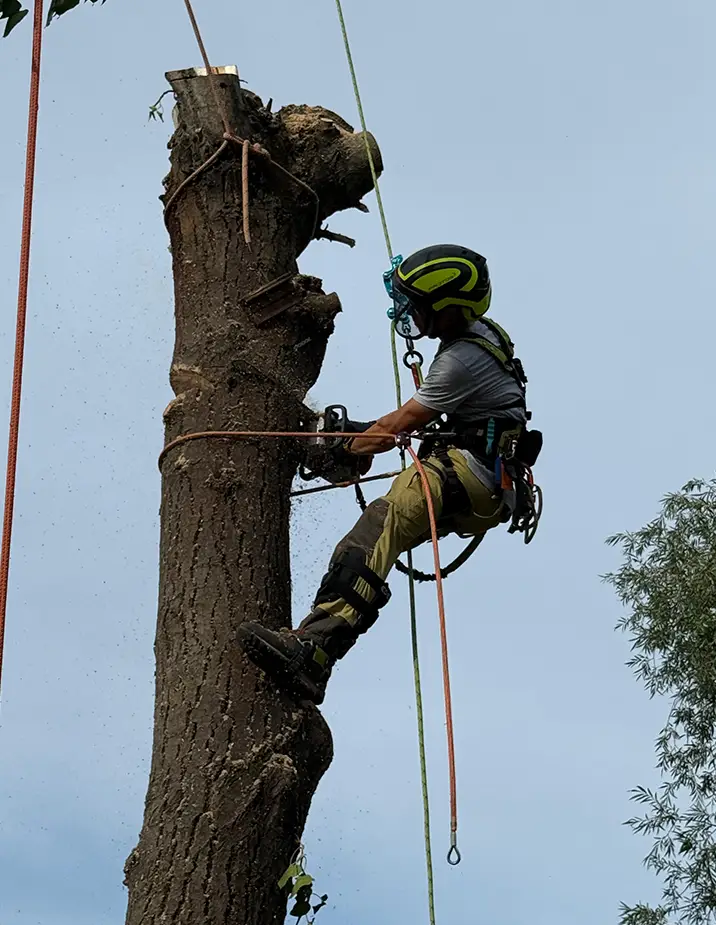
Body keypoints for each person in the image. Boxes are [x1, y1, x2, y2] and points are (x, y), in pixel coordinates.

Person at [238, 244, 532, 705]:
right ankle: (319, 643)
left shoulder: (459, 362)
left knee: (379, 527)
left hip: (470, 474)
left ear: (450, 309)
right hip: (481, 467)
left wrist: (346, 446)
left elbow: (395, 428)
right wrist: (354, 440)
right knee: (365, 464)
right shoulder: (482, 335)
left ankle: (315, 649)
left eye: (417, 303)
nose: (407, 311)